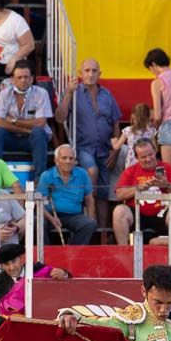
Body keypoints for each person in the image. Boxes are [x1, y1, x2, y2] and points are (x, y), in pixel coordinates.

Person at [54, 58, 121, 225]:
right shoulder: (73, 92)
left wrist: (116, 149)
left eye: (94, 71)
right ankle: (88, 216)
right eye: (87, 70)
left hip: (105, 148)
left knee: (104, 192)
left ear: (100, 74)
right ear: (80, 73)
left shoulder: (107, 94)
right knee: (92, 171)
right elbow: (59, 117)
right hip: (83, 147)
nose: (90, 74)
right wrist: (68, 92)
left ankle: (101, 232)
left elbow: (116, 122)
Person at [113, 139, 171, 245]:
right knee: (119, 211)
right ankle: (123, 251)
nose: (148, 159)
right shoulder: (131, 170)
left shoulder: (168, 168)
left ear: (155, 151)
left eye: (150, 154)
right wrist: (138, 188)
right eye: (143, 157)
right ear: (137, 158)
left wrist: (167, 185)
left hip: (163, 213)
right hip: (137, 214)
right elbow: (119, 195)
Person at [0, 242, 69, 331]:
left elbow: (67, 283)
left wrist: (64, 274)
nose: (11, 267)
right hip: (14, 331)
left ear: (21, 259)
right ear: (2, 266)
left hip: (42, 325)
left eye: (13, 261)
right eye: (6, 264)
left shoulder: (37, 270)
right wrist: (10, 325)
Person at [0, 60, 52, 180]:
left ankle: (39, 181)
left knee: (38, 133)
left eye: (26, 77)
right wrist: (27, 129)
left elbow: (40, 123)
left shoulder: (41, 93)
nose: (23, 80)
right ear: (12, 79)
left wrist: (13, 121)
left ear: (32, 78)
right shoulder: (5, 93)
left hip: (32, 139)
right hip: (13, 137)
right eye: (19, 77)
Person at [37, 144, 97, 245]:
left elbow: (89, 199)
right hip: (50, 215)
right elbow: (39, 204)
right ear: (56, 160)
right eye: (64, 158)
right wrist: (52, 219)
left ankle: (72, 254)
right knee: (37, 222)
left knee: (90, 224)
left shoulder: (82, 174)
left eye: (71, 158)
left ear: (75, 161)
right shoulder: (47, 176)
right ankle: (46, 254)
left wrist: (90, 218)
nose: (68, 161)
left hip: (74, 215)